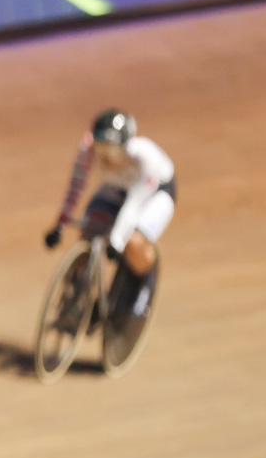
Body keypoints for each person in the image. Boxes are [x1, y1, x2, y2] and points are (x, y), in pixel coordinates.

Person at [43, 108, 173, 326]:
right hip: (118, 187)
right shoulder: (87, 148)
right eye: (101, 149)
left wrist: (116, 240)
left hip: (154, 192)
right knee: (89, 230)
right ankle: (79, 295)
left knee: (132, 242)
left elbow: (134, 203)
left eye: (112, 151)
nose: (105, 157)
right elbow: (75, 188)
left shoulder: (144, 157)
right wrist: (60, 226)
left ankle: (143, 282)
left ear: (126, 146)